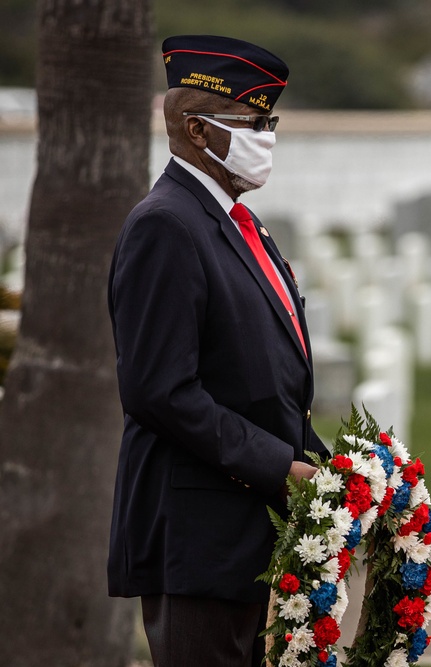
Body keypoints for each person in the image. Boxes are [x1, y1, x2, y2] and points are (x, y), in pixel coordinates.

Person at [107, 35, 327, 665]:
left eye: (270, 122)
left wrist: (336, 473)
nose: (268, 137)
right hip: (197, 540)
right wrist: (276, 467)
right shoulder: (166, 226)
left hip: (247, 532)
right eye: (255, 123)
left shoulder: (236, 221)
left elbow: (260, 374)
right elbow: (158, 390)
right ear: (197, 131)